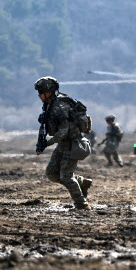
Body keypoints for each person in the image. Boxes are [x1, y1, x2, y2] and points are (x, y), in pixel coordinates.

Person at [34, 76, 92, 210]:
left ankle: (81, 204)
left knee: (66, 177)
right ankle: (81, 182)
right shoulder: (50, 105)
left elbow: (64, 131)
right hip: (63, 144)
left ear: (49, 92)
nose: (39, 95)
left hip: (73, 144)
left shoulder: (60, 107)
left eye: (41, 92)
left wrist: (47, 143)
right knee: (52, 173)